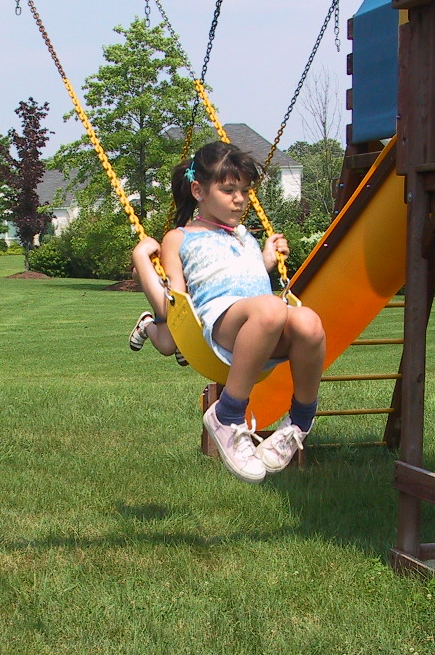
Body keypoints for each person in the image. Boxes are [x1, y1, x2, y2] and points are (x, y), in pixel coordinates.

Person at [159, 141, 326, 482]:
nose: (240, 199)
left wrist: (267, 259)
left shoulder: (244, 236)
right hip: (221, 325)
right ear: (198, 191)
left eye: (245, 191)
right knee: (271, 308)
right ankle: (228, 414)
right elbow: (174, 297)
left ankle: (301, 421)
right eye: (228, 190)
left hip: (262, 323)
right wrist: (146, 266)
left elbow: (246, 278)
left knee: (309, 321)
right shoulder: (179, 237)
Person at [128, 236, 187, 366]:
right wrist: (142, 256)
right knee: (166, 347)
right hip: (170, 299)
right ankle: (146, 324)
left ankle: (184, 340)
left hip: (195, 306)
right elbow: (137, 273)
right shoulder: (175, 243)